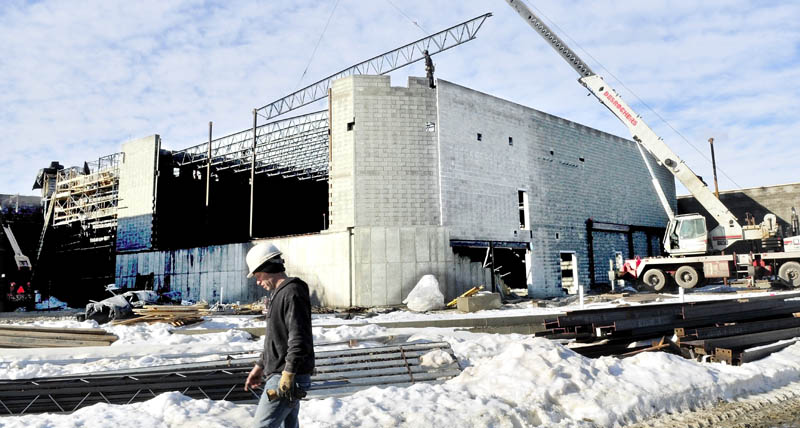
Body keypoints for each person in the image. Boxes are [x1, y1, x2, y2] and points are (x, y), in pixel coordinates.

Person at [244, 242, 315, 428]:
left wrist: (289, 373)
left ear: (267, 268)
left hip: (286, 376)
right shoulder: (279, 294)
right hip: (282, 373)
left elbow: (299, 336)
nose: (258, 282)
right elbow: (275, 339)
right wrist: (260, 366)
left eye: (258, 276)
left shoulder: (292, 292)